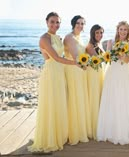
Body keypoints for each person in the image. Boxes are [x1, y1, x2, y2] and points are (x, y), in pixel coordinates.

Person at [28, 12, 76, 152]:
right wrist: (76, 63)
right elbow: (56, 58)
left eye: (58, 22)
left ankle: (59, 135)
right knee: (52, 102)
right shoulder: (44, 38)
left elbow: (63, 54)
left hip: (60, 72)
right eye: (52, 22)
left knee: (60, 102)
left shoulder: (58, 37)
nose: (55, 25)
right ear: (46, 22)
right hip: (51, 73)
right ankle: (50, 138)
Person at [96, 21, 129, 145]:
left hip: (125, 73)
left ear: (128, 32)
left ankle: (125, 130)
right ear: (118, 30)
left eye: (125, 30)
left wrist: (123, 56)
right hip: (112, 72)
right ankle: (110, 130)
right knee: (112, 98)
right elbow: (108, 58)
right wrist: (113, 54)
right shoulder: (111, 42)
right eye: (121, 29)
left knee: (125, 98)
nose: (122, 32)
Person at [63, 15, 91, 145]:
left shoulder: (79, 38)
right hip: (73, 71)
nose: (80, 25)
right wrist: (86, 66)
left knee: (80, 99)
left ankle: (80, 129)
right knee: (74, 99)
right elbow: (75, 58)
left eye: (82, 24)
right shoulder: (69, 37)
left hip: (80, 72)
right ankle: (74, 132)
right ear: (73, 24)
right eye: (78, 23)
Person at [85, 24, 105, 140]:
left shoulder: (98, 44)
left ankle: (100, 124)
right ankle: (94, 127)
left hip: (99, 73)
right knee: (94, 98)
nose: (99, 35)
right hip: (93, 74)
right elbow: (98, 59)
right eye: (97, 33)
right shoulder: (90, 46)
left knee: (99, 98)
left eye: (101, 32)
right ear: (92, 34)